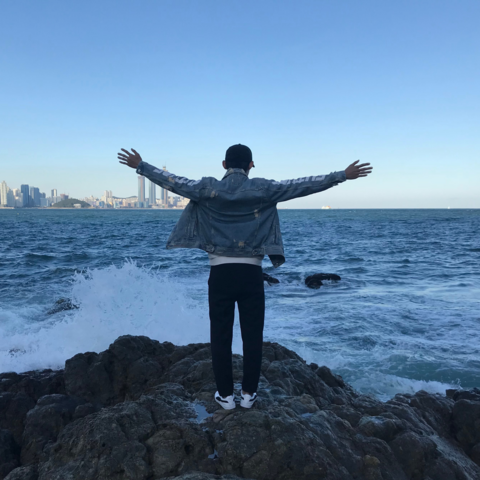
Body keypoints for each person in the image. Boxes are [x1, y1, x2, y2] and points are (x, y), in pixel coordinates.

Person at [118, 144, 372, 410]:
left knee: (220, 336)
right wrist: (342, 175)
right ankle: (249, 394)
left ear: (224, 164)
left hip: (220, 274)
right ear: (251, 165)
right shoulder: (264, 188)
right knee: (253, 336)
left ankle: (226, 396)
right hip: (252, 274)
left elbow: (173, 182)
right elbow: (302, 185)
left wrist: (141, 165)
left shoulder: (207, 188)